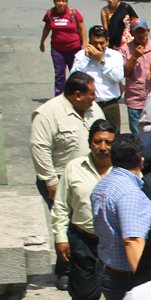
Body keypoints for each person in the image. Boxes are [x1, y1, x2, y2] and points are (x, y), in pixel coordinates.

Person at [51, 119, 115, 300]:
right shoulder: (74, 168)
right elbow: (60, 206)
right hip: (83, 239)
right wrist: (60, 236)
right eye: (98, 141)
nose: (103, 147)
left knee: (117, 295)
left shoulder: (124, 171)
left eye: (108, 142)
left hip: (114, 242)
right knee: (83, 294)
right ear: (90, 143)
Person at [91, 133, 151, 300]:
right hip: (125, 278)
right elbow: (132, 242)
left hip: (108, 269)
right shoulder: (130, 194)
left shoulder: (103, 185)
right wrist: (146, 287)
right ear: (141, 160)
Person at [31, 71, 100, 212]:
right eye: (91, 94)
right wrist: (51, 182)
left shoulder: (94, 109)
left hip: (92, 178)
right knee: (66, 224)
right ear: (78, 95)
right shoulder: (47, 114)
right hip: (63, 182)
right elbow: (40, 148)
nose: (95, 97)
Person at [70, 26, 125, 131]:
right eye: (95, 43)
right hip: (89, 106)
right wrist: (86, 58)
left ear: (107, 42)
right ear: (89, 42)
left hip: (110, 105)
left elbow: (118, 77)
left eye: (102, 43)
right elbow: (74, 79)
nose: (99, 47)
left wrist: (101, 61)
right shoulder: (81, 56)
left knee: (114, 140)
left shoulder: (115, 56)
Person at [122, 20, 151, 131]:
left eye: (142, 31)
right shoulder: (125, 50)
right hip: (136, 101)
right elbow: (124, 73)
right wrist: (134, 57)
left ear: (148, 31)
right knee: (138, 137)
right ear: (132, 34)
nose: (140, 35)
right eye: (137, 32)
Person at [40, 0, 86, 96]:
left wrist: (84, 45)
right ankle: (59, 97)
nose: (61, 3)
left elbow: (82, 29)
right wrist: (42, 42)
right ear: (54, 1)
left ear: (67, 2)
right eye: (58, 1)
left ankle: (76, 96)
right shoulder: (50, 13)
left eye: (64, 1)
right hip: (57, 50)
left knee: (76, 75)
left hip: (74, 49)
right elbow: (47, 28)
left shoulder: (74, 13)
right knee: (59, 75)